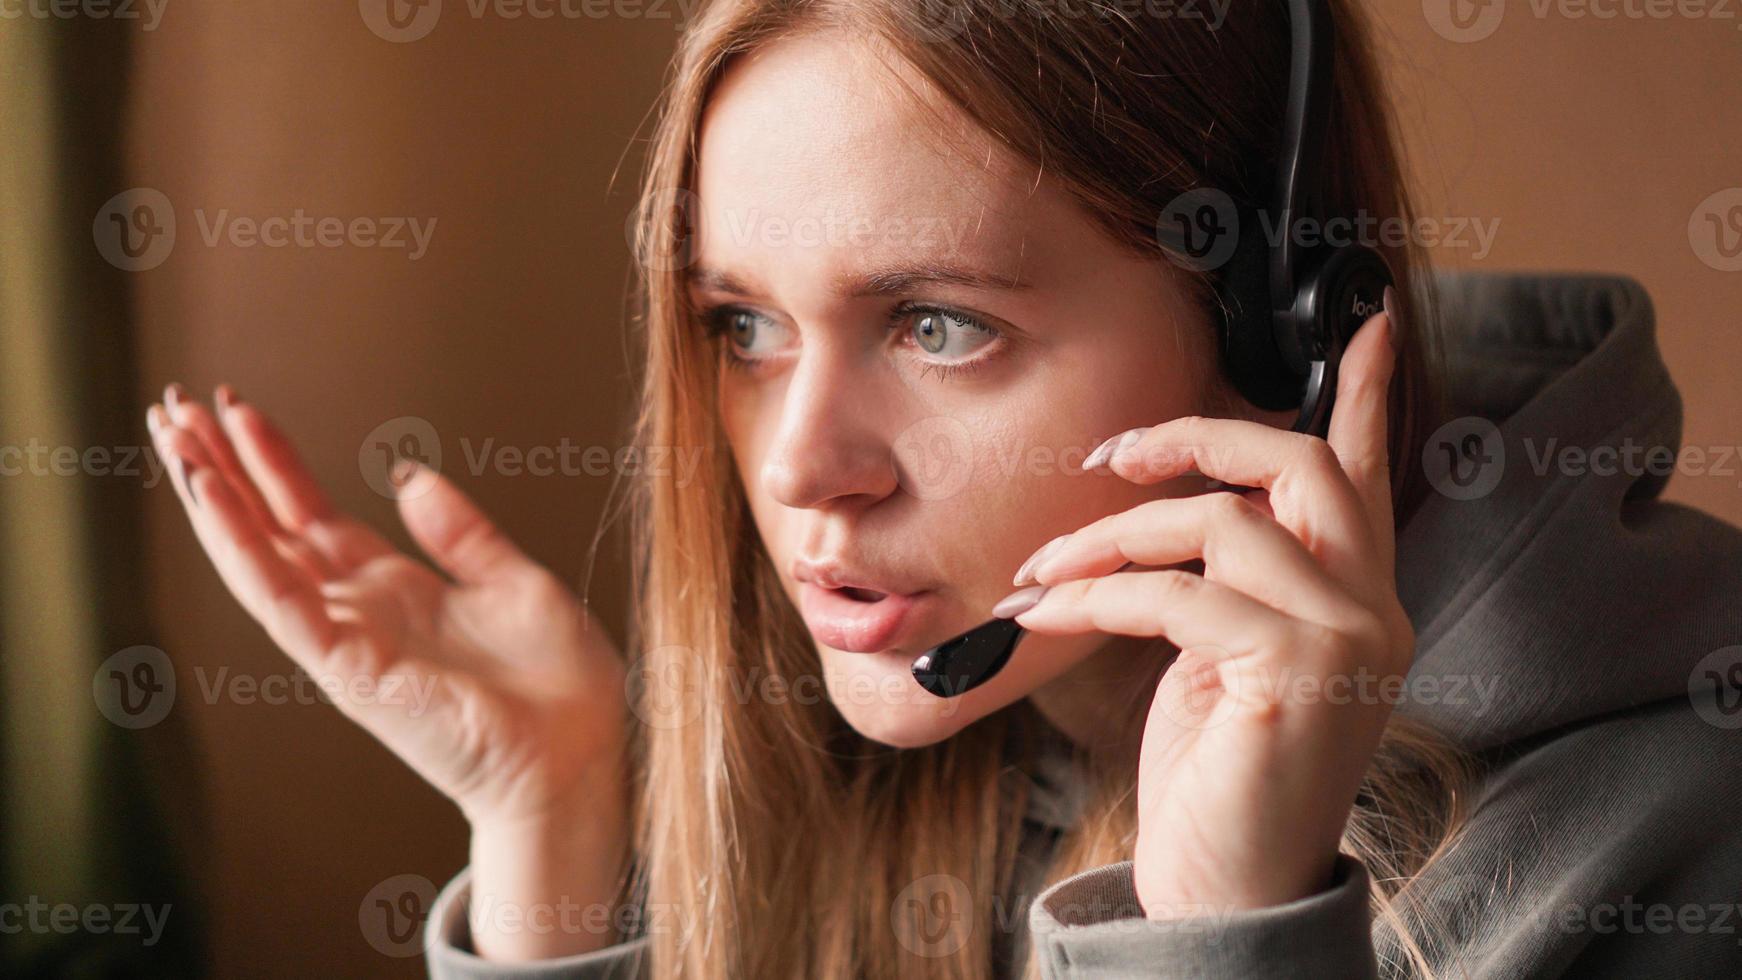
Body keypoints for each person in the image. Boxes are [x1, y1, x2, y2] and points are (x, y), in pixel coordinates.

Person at [145, 1, 1742, 977]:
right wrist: (547, 827)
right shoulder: (954, 737)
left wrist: (1221, 932)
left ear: (1282, 335)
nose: (794, 468)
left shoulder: (1676, 838)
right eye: (743, 326)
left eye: (937, 323)